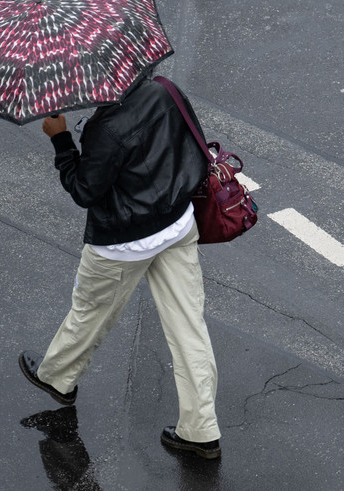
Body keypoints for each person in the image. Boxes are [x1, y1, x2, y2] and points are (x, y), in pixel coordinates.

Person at [18, 76, 222, 460]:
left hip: (123, 242)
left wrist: (60, 138)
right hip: (177, 224)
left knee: (91, 311)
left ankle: (57, 377)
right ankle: (201, 430)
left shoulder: (105, 128)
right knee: (189, 326)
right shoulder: (165, 89)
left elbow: (84, 190)